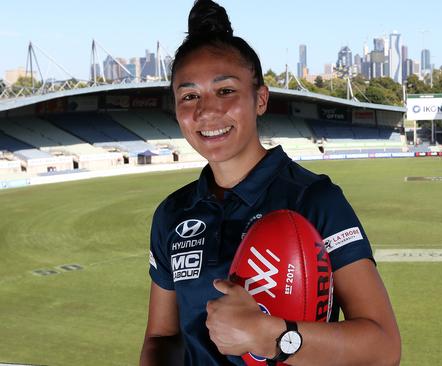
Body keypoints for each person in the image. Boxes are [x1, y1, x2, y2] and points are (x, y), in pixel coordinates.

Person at [140, 1, 400, 365]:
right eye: (189, 96)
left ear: (260, 99)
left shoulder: (314, 199)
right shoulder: (172, 214)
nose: (206, 111)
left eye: (226, 90)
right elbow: (161, 338)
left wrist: (272, 336)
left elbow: (384, 348)